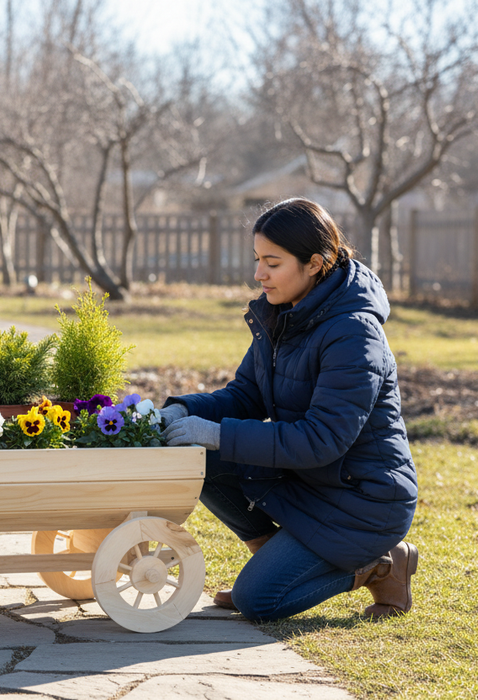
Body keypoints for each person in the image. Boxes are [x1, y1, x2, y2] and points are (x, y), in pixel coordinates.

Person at [161, 197, 418, 622]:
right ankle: (272, 558)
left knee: (259, 601)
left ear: (315, 263)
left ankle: (379, 563)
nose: (258, 274)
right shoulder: (283, 314)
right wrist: (180, 410)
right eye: (257, 259)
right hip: (309, 481)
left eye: (272, 263)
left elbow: (322, 440)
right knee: (198, 455)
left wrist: (216, 433)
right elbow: (246, 395)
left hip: (362, 501)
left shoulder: (355, 334)